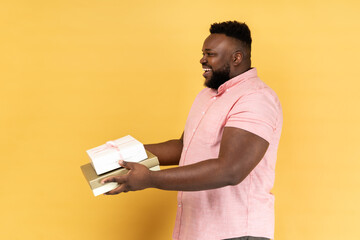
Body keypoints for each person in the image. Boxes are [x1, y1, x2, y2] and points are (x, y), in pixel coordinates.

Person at [102, 21, 283, 240]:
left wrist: (150, 179)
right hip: (196, 231)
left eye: (210, 54)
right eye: (203, 53)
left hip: (236, 233)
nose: (202, 59)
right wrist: (121, 155)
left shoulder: (256, 98)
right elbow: (184, 147)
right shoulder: (207, 96)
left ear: (236, 58)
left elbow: (231, 169)